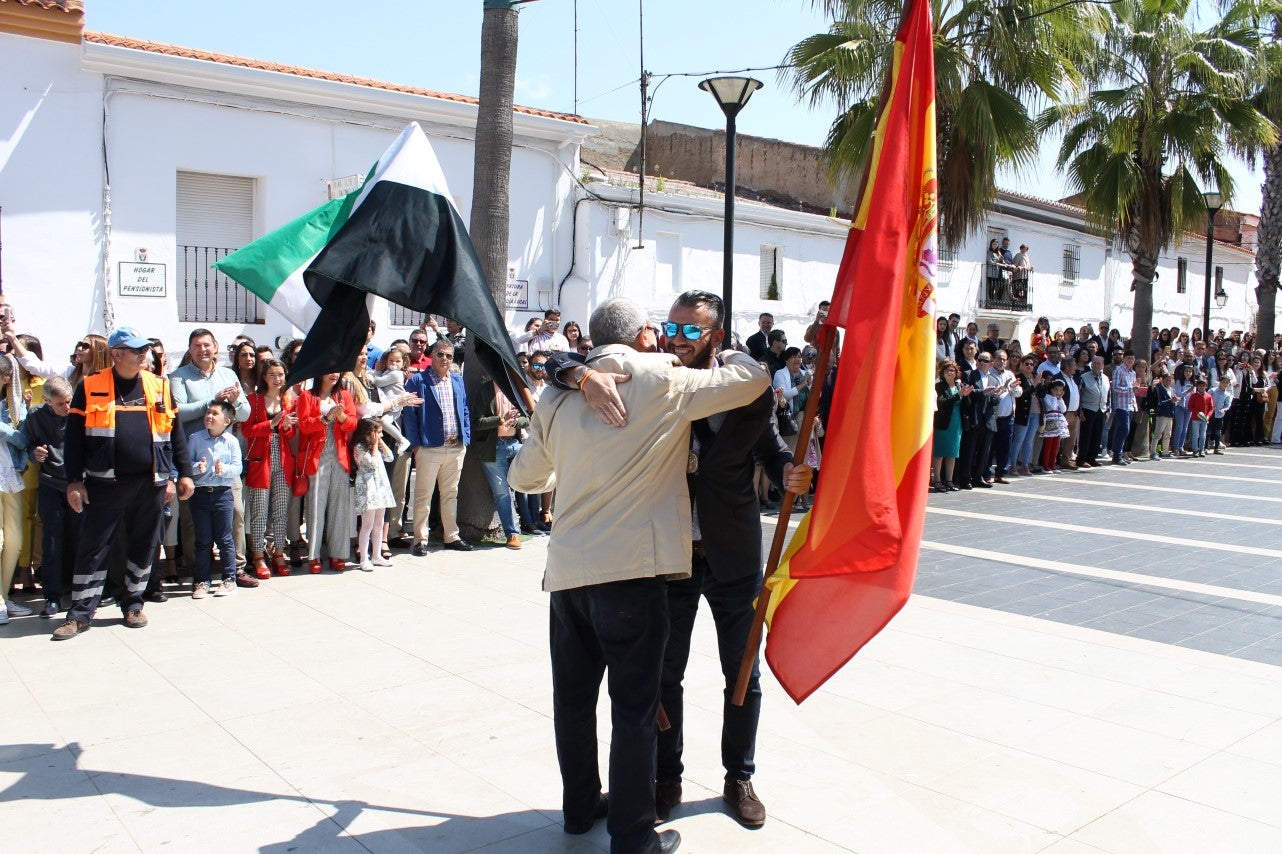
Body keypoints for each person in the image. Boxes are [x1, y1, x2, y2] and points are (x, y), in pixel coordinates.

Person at [509, 297, 769, 854]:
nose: (672, 338)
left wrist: (572, 377)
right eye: (665, 329)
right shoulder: (660, 377)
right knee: (635, 707)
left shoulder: (558, 395)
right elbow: (751, 378)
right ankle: (633, 836)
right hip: (631, 574)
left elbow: (523, 478)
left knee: (573, 702)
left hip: (568, 576)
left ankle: (580, 809)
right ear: (647, 333)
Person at [52, 327, 194, 640]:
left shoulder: (159, 385)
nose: (144, 354)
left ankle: (133, 603)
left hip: (151, 483)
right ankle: (79, 614)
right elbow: (73, 438)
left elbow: (175, 434)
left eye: (145, 349)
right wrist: (74, 481)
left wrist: (182, 473)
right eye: (135, 350)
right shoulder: (90, 386)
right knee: (93, 547)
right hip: (105, 484)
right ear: (116, 354)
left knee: (145, 546)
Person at [169, 329, 253, 585]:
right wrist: (212, 401)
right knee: (193, 520)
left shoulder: (228, 375)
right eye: (196, 345)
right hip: (194, 459)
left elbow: (246, 414)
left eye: (207, 345)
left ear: (216, 347)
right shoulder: (179, 377)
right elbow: (179, 412)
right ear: (190, 349)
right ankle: (199, 571)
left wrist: (237, 402)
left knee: (236, 513)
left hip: (225, 460)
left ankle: (237, 568)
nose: (202, 350)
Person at [404, 339, 473, 555]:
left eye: (449, 356)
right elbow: (409, 415)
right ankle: (420, 540)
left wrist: (466, 439)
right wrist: (415, 445)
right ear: (432, 355)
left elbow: (464, 410)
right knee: (424, 495)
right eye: (441, 354)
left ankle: (451, 536)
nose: (445, 359)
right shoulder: (418, 380)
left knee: (450, 494)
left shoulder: (457, 380)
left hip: (455, 447)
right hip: (428, 448)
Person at [296, 372, 357, 573]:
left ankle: (337, 553)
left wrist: (341, 416)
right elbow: (304, 426)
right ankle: (313, 555)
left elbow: (352, 424)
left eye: (337, 371)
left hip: (339, 456)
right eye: (330, 371)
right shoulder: (307, 396)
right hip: (317, 456)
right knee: (315, 506)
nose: (334, 375)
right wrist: (324, 419)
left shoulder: (344, 396)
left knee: (339, 506)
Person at [243, 358, 297, 578]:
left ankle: (278, 553)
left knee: (281, 510)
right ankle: (257, 555)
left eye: (281, 374)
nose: (277, 379)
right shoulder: (253, 400)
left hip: (283, 459)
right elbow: (247, 430)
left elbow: (292, 433)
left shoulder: (288, 401)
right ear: (264, 377)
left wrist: (285, 427)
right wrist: (271, 424)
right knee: (259, 511)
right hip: (260, 459)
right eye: (272, 375)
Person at [187, 401, 243, 599]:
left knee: (224, 539)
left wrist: (224, 470)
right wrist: (196, 468)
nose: (209, 416)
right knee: (202, 540)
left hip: (222, 494)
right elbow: (187, 463)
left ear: (226, 421)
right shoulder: (195, 439)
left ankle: (229, 579)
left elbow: (238, 467)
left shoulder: (231, 441)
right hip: (200, 494)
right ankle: (202, 580)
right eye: (208, 413)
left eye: (215, 414)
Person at [470, 375, 529, 551]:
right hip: (493, 447)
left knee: (532, 479)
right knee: (502, 492)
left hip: (516, 444)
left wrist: (516, 421)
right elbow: (477, 422)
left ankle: (535, 519)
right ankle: (512, 534)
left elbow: (529, 417)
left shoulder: (517, 390)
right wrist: (501, 419)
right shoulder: (484, 391)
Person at [0, 353, 29, 622]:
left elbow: (23, 440)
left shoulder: (16, 406)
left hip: (9, 475)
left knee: (15, 541)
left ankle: (3, 597)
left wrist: (3, 429)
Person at [350, 418, 396, 571]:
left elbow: (390, 457)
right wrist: (376, 446)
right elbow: (372, 463)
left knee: (379, 522)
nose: (380, 436)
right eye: (378, 433)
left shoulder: (375, 446)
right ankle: (364, 558)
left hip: (380, 488)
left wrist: (380, 444)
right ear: (369, 433)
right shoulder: (360, 447)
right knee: (367, 524)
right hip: (368, 488)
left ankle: (377, 555)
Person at [933, 360, 966, 491]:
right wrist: (958, 395)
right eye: (947, 370)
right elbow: (941, 403)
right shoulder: (939, 386)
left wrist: (966, 395)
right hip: (943, 423)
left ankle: (949, 481)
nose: (950, 373)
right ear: (943, 373)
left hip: (957, 423)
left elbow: (965, 403)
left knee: (952, 453)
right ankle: (937, 481)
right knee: (939, 453)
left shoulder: (959, 385)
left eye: (952, 370)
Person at [1077, 356, 1110, 467]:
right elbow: (1079, 395)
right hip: (1088, 409)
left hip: (1101, 410)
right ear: (1091, 365)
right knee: (1086, 435)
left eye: (1099, 364)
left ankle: (1092, 458)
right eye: (1094, 363)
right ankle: (1081, 459)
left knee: (1097, 435)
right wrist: (1080, 410)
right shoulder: (1084, 377)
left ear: (1102, 365)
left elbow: (1108, 395)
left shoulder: (1105, 378)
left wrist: (1108, 409)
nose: (1096, 365)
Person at [1109, 352, 1138, 465]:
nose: (1130, 361)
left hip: (1130, 404)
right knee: (1123, 429)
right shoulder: (1118, 371)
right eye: (1128, 358)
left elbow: (1133, 389)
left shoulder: (1133, 373)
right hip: (1121, 405)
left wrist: (1136, 389)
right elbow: (1115, 388)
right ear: (1124, 359)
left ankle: (1120, 454)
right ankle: (1116, 455)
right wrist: (1131, 389)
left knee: (1126, 430)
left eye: (1132, 358)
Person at [1039, 380, 1068, 474]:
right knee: (1048, 444)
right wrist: (1056, 398)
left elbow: (1063, 409)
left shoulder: (1059, 398)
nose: (1058, 392)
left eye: (1060, 390)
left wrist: (1060, 398)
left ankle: (1053, 465)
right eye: (1056, 390)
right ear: (1051, 389)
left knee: (1056, 444)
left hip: (1058, 421)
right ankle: (1046, 466)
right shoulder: (1047, 397)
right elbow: (1051, 407)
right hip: (1050, 420)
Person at [1187, 378, 1213, 457]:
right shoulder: (1194, 396)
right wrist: (1197, 412)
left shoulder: (1208, 396)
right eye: (1200, 386)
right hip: (1196, 418)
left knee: (1203, 435)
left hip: (1204, 419)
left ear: (1206, 387)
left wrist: (1208, 416)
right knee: (1196, 435)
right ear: (1197, 387)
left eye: (1203, 386)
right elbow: (1190, 406)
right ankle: (1195, 450)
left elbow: (1211, 408)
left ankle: (1201, 449)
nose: (1201, 387)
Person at [1210, 375, 1233, 454]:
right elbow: (1206, 399)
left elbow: (1227, 405)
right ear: (1220, 382)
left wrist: (1224, 409)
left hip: (1219, 414)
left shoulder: (1227, 394)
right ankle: (1205, 447)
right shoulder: (1212, 390)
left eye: (1227, 383)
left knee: (1218, 431)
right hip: (1210, 413)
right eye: (1223, 382)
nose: (1225, 384)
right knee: (1208, 430)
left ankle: (1216, 448)